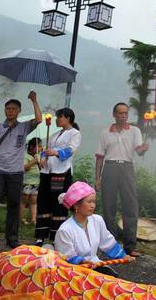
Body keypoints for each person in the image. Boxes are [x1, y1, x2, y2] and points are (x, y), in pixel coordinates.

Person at [0, 91, 43, 250]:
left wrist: (34, 100)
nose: (10, 111)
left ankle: (12, 239)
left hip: (15, 173)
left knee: (14, 205)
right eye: (8, 109)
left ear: (19, 111)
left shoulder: (24, 127)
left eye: (13, 109)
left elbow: (39, 119)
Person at [94, 102, 149, 253]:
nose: (123, 116)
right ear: (114, 114)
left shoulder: (134, 131)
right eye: (120, 113)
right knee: (109, 207)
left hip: (127, 167)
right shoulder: (106, 132)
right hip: (110, 167)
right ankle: (111, 245)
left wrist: (143, 149)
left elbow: (138, 150)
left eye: (126, 113)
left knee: (130, 206)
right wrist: (97, 179)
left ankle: (130, 246)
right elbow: (99, 157)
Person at [53, 181, 127, 275]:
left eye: (94, 201)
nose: (93, 205)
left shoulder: (97, 220)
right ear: (76, 205)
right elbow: (67, 257)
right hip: (75, 272)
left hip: (95, 265)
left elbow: (107, 242)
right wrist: (83, 262)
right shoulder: (65, 230)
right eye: (89, 202)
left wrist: (123, 256)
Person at [37, 107, 81, 246]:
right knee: (44, 201)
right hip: (48, 171)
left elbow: (71, 150)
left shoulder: (75, 133)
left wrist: (55, 153)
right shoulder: (54, 134)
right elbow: (46, 150)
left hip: (61, 172)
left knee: (59, 203)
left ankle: (56, 236)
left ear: (68, 118)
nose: (57, 119)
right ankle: (40, 236)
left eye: (59, 117)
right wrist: (43, 157)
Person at [22, 138, 42, 228]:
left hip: (36, 182)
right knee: (24, 201)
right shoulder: (26, 156)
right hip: (26, 182)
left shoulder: (39, 156)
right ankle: (21, 218)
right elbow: (24, 168)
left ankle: (33, 219)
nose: (41, 148)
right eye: (39, 146)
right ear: (31, 147)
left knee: (33, 201)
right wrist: (34, 161)